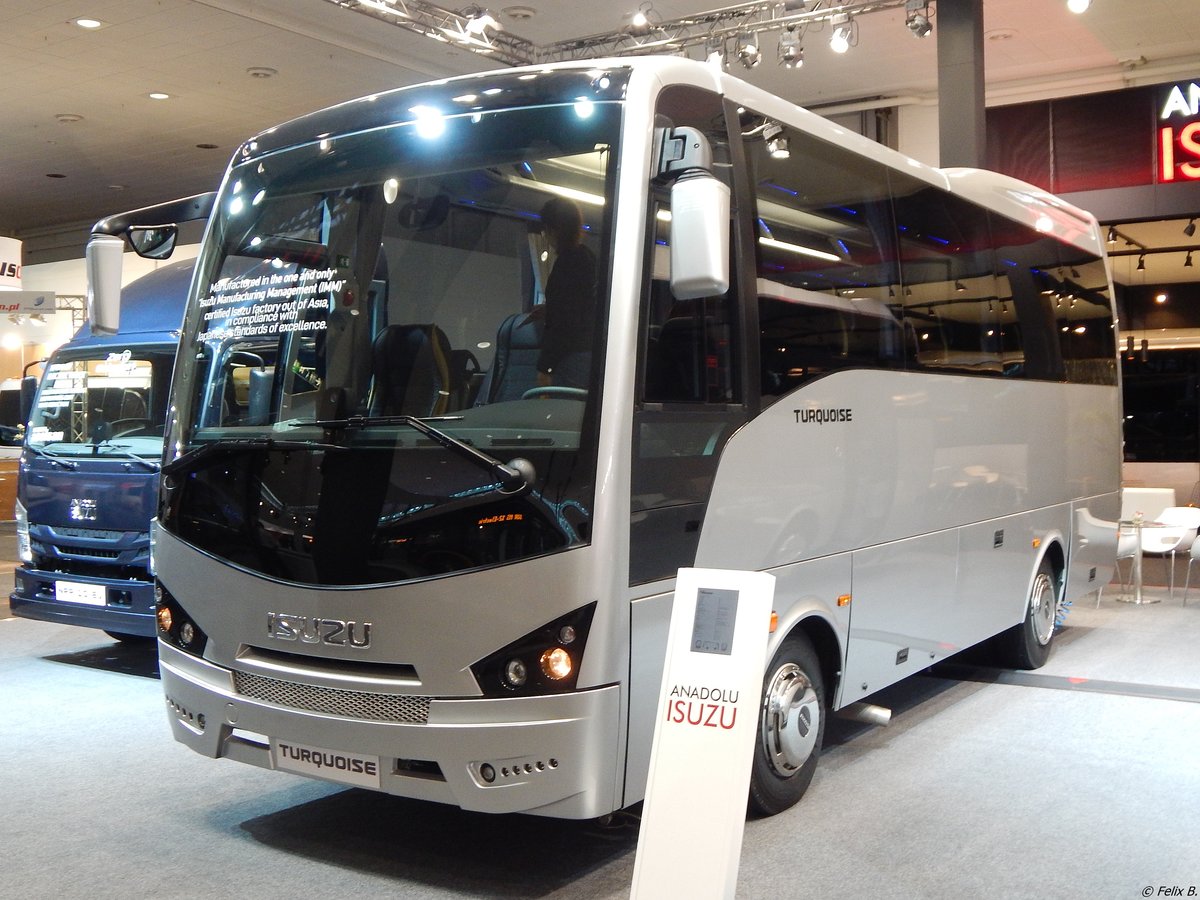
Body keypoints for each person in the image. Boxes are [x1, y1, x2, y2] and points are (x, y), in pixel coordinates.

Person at [534, 197, 596, 390]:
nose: (546, 237)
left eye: (546, 231)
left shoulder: (568, 263)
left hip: (570, 359)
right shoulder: (587, 257)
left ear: (554, 229)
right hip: (584, 354)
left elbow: (563, 322)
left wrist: (545, 368)